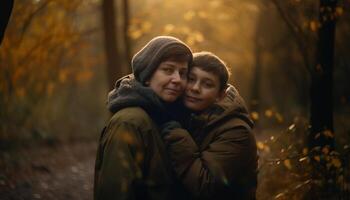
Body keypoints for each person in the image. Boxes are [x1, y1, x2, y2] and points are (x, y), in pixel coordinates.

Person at [94, 36, 193, 200]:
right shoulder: (129, 123)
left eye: (183, 73)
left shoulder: (168, 118)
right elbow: (116, 192)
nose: (177, 79)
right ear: (147, 75)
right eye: (168, 70)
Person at [162, 51, 258, 199]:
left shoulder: (237, 131)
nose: (195, 88)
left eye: (207, 84)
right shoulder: (186, 116)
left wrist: (176, 135)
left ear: (220, 95)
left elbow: (206, 186)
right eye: (191, 79)